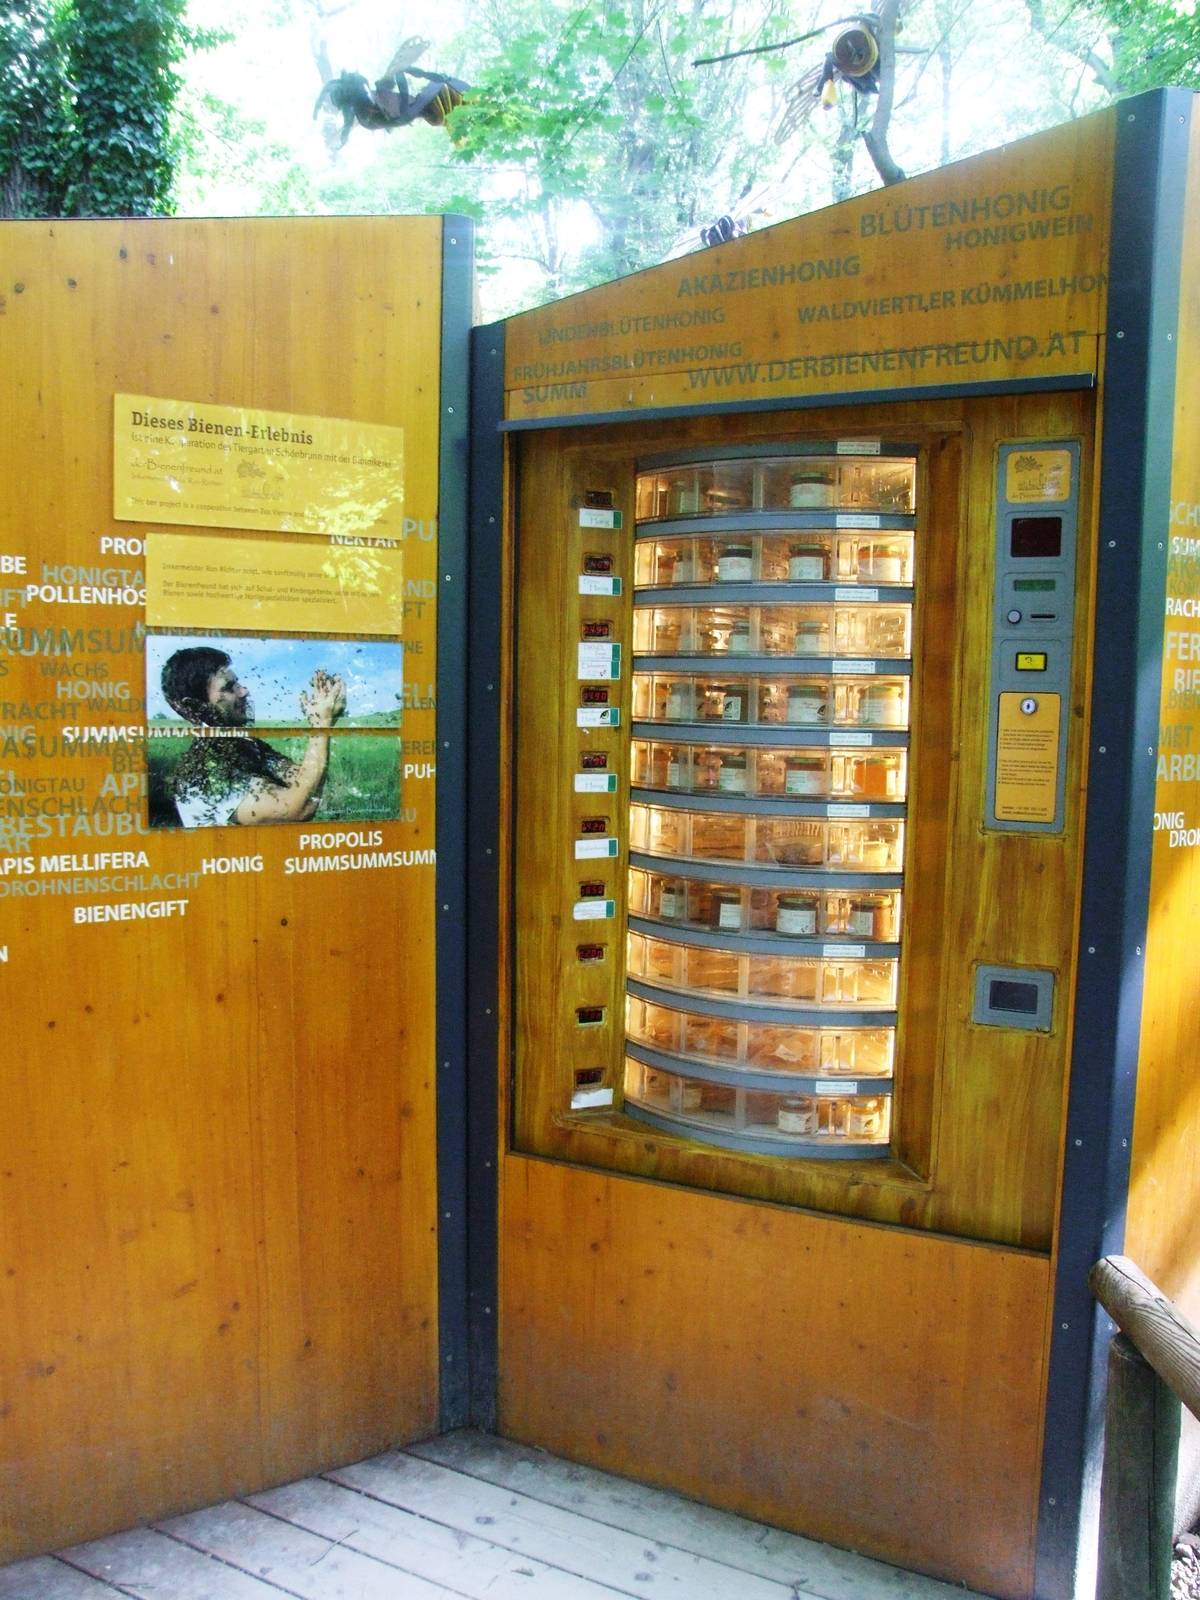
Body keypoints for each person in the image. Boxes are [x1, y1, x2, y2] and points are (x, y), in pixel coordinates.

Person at [159, 646, 346, 828]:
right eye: (229, 687)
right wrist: (321, 724)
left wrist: (327, 717)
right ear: (196, 707)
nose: (244, 691)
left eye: (237, 683)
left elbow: (305, 782)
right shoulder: (205, 773)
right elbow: (297, 809)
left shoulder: (247, 746)